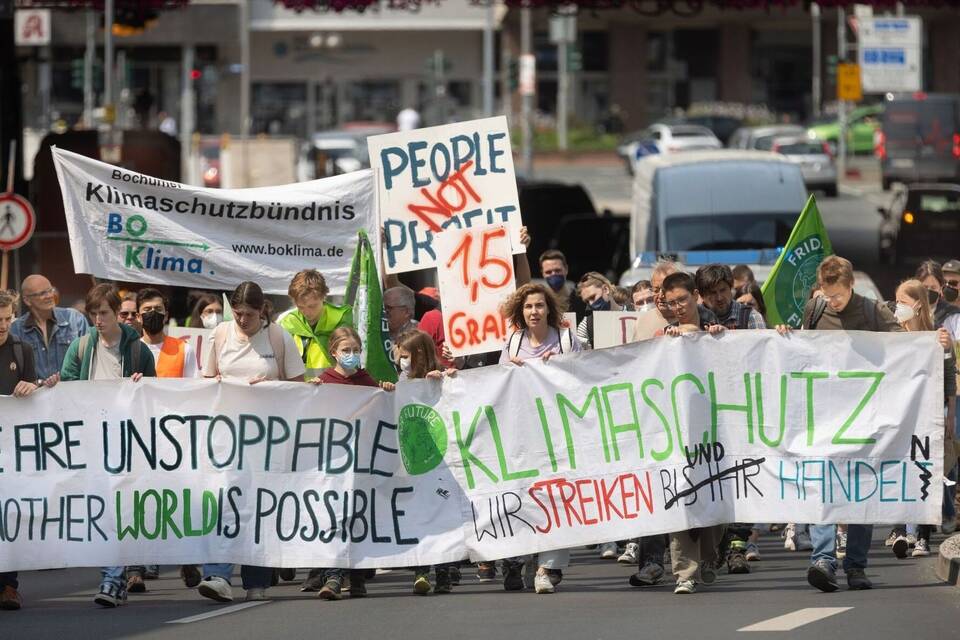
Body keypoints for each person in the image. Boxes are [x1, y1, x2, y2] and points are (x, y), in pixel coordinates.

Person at [776, 255, 901, 593]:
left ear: (851, 286)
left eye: (838, 296)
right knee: (823, 487)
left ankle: (856, 566)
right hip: (825, 418)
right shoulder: (815, 310)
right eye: (827, 296)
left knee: (861, 493)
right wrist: (785, 337)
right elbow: (803, 352)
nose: (832, 302)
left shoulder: (874, 312)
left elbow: (906, 348)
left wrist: (935, 344)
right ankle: (824, 559)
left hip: (865, 419)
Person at [197, 282, 305, 604]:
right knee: (223, 502)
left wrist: (271, 386)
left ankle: (256, 579)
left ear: (263, 311)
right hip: (226, 435)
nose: (242, 320)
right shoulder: (219, 336)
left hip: (267, 437)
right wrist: (217, 384)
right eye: (238, 313)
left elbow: (298, 387)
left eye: (249, 314)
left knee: (258, 505)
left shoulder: (277, 337)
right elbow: (206, 381)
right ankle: (217, 573)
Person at [60, 284, 156, 608]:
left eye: (103, 313)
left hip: (127, 440)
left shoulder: (138, 350)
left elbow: (154, 396)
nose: (98, 320)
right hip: (92, 439)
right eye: (93, 313)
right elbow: (67, 387)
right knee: (103, 512)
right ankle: (113, 577)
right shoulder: (81, 347)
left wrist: (144, 387)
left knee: (122, 509)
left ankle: (116, 577)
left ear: (117, 313)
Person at [499, 283, 582, 594]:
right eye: (528, 307)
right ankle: (515, 561)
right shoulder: (513, 342)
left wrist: (559, 367)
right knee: (522, 497)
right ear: (521, 312)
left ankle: (547, 568)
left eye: (539, 305)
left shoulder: (565, 339)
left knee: (558, 498)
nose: (534, 311)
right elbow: (497, 387)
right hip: (522, 435)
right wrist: (511, 368)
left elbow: (583, 377)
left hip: (559, 434)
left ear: (550, 309)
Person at [310, 327, 394, 601]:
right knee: (334, 516)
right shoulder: (324, 381)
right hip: (333, 462)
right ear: (333, 352)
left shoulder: (365, 381)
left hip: (362, 461)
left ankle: (357, 577)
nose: (352, 355)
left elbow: (381, 410)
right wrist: (309, 395)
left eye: (356, 350)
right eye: (346, 350)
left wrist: (386, 390)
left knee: (358, 517)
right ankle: (333, 576)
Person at [656, 272, 723, 595]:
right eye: (671, 303)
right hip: (676, 432)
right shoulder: (665, 337)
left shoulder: (717, 330)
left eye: (682, 300)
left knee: (715, 497)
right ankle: (685, 572)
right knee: (681, 496)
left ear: (696, 296)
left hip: (715, 432)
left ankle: (709, 557)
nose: (678, 307)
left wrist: (719, 340)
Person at [884, 279, 956, 559]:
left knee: (924, 473)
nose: (897, 307)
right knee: (899, 471)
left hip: (927, 417)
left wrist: (950, 414)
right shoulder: (889, 335)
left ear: (916, 305)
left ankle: (922, 536)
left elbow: (949, 375)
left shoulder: (936, 336)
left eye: (901, 301)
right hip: (897, 418)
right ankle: (901, 529)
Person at [394, 330, 459, 594]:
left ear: (420, 355)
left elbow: (456, 390)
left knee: (441, 515)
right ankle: (421, 571)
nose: (402, 362)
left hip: (441, 467)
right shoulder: (401, 381)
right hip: (414, 463)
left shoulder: (438, 378)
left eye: (406, 356)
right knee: (418, 514)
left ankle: (443, 572)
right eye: (400, 357)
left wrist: (446, 376)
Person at [0, 290, 53, 611]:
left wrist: (31, 387)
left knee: (7, 517)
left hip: (10, 454)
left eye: (7, 319)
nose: (3, 325)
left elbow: (35, 396)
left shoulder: (23, 350)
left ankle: (8, 585)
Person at [915, 259, 960, 533]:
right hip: (916, 396)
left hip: (944, 395)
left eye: (933, 288)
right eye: (924, 287)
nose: (929, 293)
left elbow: (953, 360)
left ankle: (947, 510)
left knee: (948, 456)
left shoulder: (952, 317)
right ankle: (916, 519)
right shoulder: (905, 315)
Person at [11, 274, 88, 384]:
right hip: (34, 398)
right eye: (42, 293)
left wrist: (65, 377)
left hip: (72, 394)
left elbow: (89, 360)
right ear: (27, 300)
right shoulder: (16, 330)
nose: (49, 295)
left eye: (50, 290)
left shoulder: (75, 319)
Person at [279, 269, 353, 381]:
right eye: (301, 307)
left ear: (323, 297)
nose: (307, 312)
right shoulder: (287, 322)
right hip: (299, 389)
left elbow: (350, 361)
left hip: (333, 388)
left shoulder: (341, 318)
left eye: (312, 306)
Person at [695, 264, 765, 331]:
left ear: (731, 288)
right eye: (713, 293)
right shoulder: (693, 316)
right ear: (701, 295)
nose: (719, 298)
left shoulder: (750, 316)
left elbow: (761, 342)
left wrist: (728, 335)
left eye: (723, 290)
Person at [576, 271, 633, 351]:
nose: (591, 304)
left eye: (593, 297)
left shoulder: (633, 313)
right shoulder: (586, 326)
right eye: (587, 301)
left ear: (606, 289)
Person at [538, 249, 586, 320]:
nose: (553, 274)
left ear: (566, 269)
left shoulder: (581, 299)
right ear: (542, 273)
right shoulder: (540, 302)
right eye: (548, 272)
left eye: (557, 270)